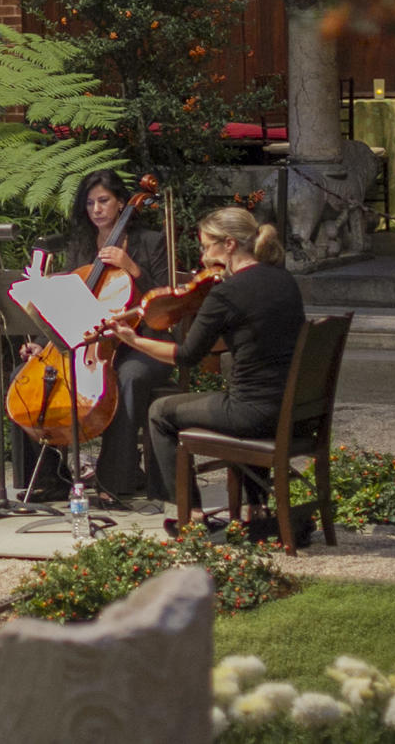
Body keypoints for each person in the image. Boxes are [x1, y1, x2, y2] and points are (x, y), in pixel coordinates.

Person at [106, 206, 304, 534]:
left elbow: (186, 356)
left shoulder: (227, 293)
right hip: (291, 409)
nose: (203, 254)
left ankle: (192, 516)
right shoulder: (284, 280)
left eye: (206, 245)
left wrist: (133, 340)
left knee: (159, 412)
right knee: (228, 394)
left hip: (251, 413)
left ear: (228, 245)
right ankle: (256, 508)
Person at [14, 169, 171, 505]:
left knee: (126, 376)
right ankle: (48, 478)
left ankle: (115, 481)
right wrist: (44, 342)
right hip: (90, 344)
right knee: (23, 377)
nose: (97, 209)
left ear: (119, 202)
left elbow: (164, 302)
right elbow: (70, 305)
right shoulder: (82, 245)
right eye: (90, 203)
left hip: (143, 342)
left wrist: (132, 268)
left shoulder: (150, 242)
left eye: (104, 201)